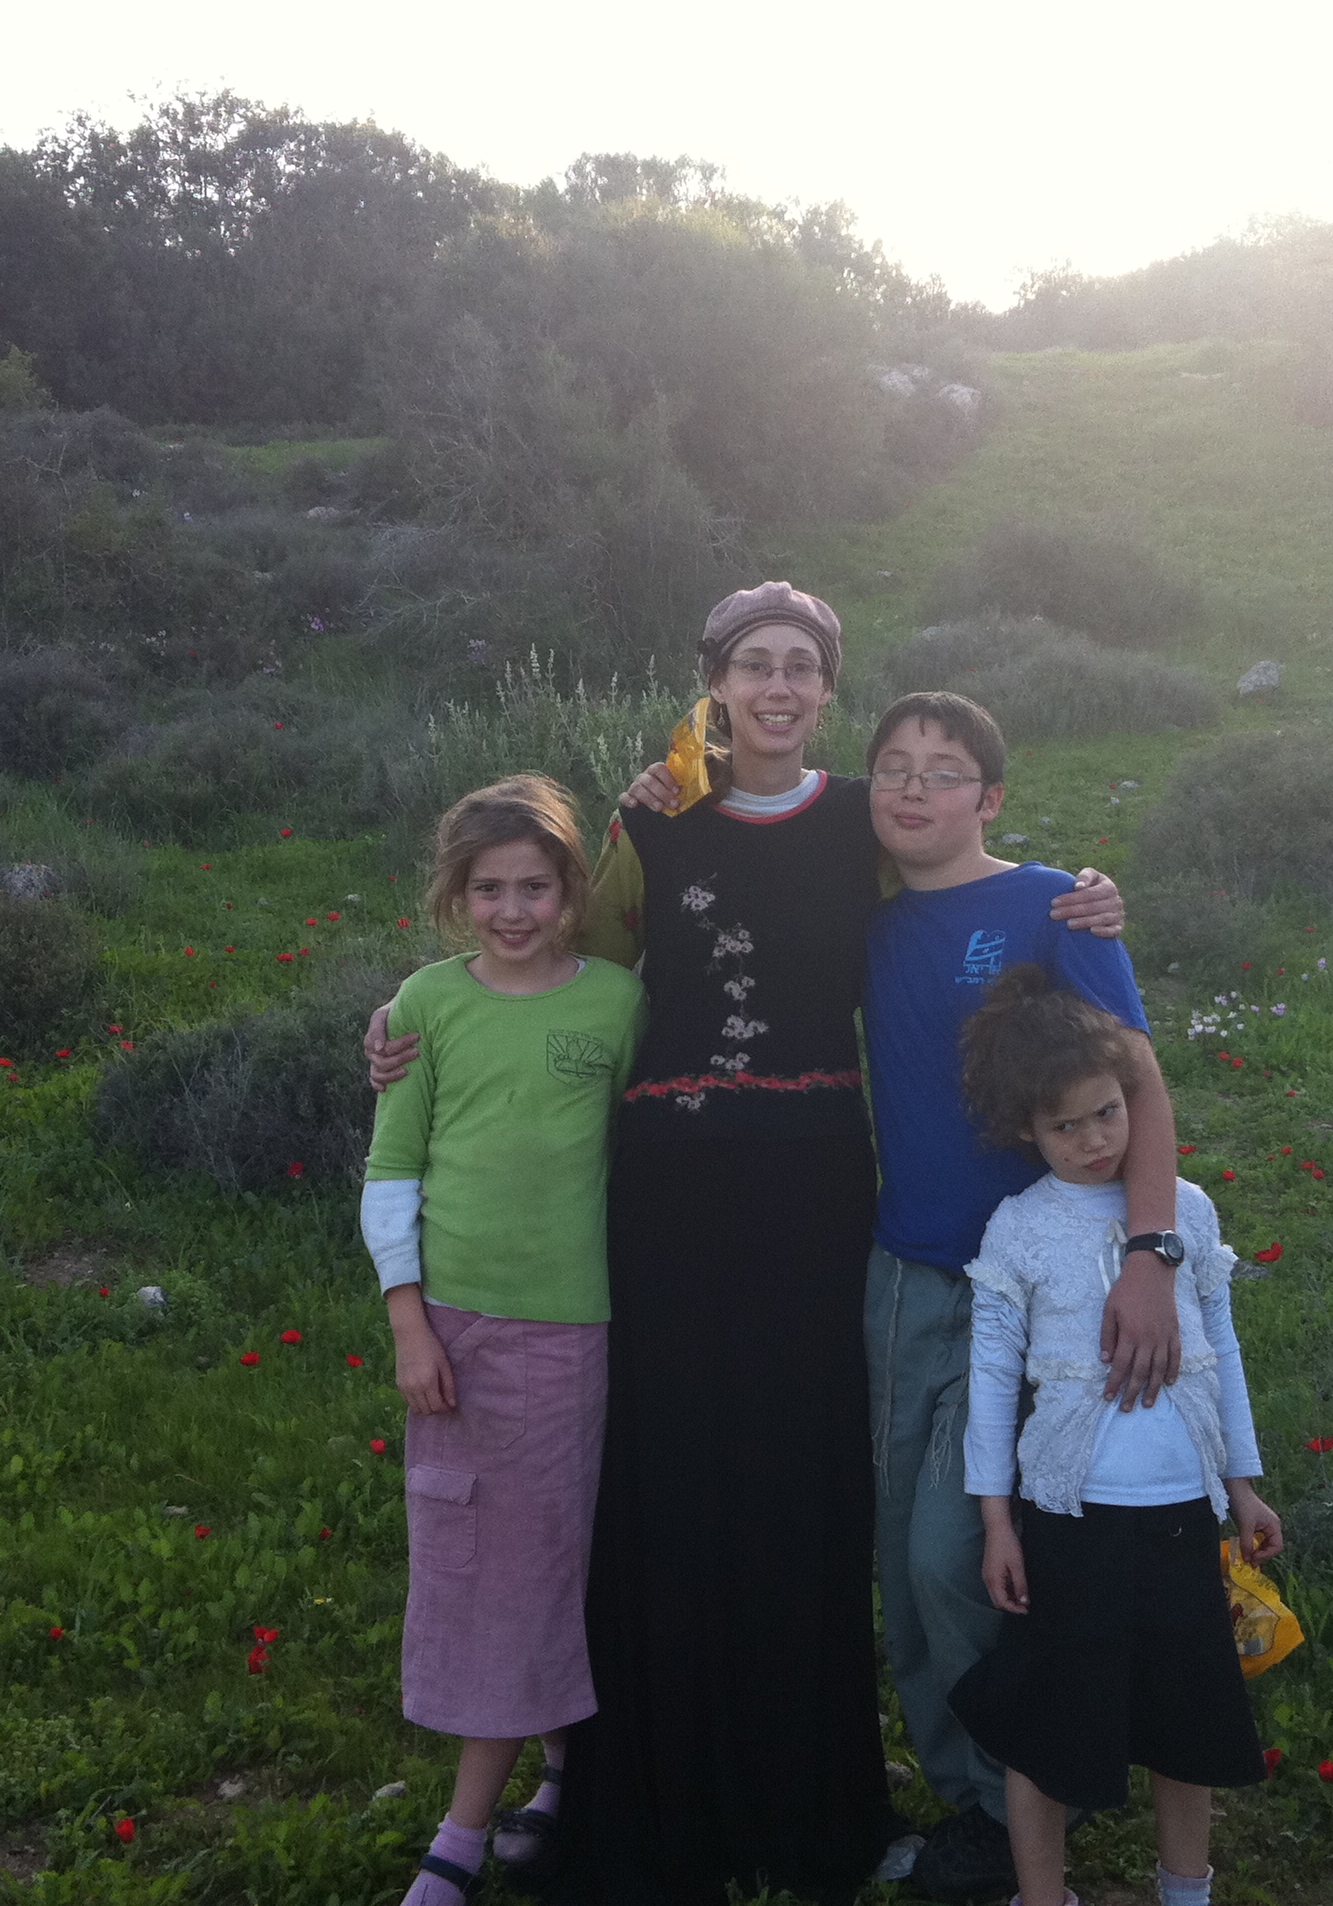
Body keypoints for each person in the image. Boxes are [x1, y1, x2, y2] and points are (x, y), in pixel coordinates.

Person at [372, 584, 1129, 1904]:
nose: (777, 687)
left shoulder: (863, 818)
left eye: (800, 667)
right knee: (669, 1469)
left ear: (825, 689)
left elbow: (960, 865)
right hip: (668, 1191)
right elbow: (551, 961)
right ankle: (644, 1772)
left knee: (798, 1474)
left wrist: (1082, 899)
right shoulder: (651, 822)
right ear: (715, 682)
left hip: (813, 1188)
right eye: (753, 665)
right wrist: (406, 1021)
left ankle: (802, 1786)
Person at [855, 692, 1189, 1901]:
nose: (914, 787)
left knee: (957, 1553)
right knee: (904, 1565)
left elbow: (1139, 1086)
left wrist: (1151, 1256)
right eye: (893, 766)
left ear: (990, 796)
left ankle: (1025, 1796)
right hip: (905, 1276)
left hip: (1035, 1288)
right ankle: (972, 1798)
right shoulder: (866, 920)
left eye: (944, 770)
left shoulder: (1054, 905)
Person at [360, 775, 646, 1906]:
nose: (513, 910)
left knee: (541, 1558)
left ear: (573, 891)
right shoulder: (426, 1002)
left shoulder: (618, 1004)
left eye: (535, 887)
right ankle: (556, 1770)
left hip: (569, 1331)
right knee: (472, 1552)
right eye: (489, 889)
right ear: (454, 895)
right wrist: (408, 1321)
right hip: (451, 1330)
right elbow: (393, 1168)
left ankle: (466, 1830)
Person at [947, 965, 1281, 1906]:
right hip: (1070, 1521)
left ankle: (1186, 1892)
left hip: (1182, 1513)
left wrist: (1243, 1482)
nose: (1095, 1140)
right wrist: (998, 1522)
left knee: (1187, 1723)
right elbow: (990, 1385)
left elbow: (1222, 1348)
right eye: (1067, 1126)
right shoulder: (1018, 1230)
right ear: (1026, 1130)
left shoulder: (1185, 1211)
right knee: (1047, 1728)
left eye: (1108, 1113)